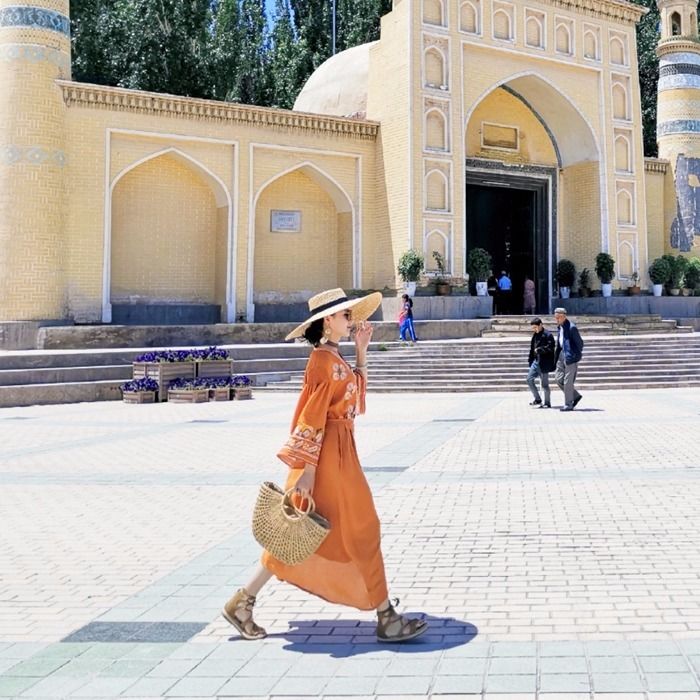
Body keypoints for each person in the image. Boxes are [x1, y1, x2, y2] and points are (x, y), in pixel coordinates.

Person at [222, 288, 428, 643]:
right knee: (349, 528)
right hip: (328, 459)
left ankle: (243, 601)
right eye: (345, 316)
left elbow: (353, 400)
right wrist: (307, 472)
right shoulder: (321, 360)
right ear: (327, 321)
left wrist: (362, 352)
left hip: (341, 452)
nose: (351, 321)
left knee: (305, 534)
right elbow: (311, 418)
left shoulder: (334, 357)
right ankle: (386, 616)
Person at [554, 306, 584, 412]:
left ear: (564, 317)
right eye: (556, 317)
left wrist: (574, 355)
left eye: (559, 317)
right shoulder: (559, 327)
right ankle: (575, 396)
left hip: (571, 357)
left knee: (567, 381)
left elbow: (580, 344)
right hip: (561, 355)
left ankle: (568, 404)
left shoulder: (572, 327)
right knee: (558, 379)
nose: (557, 319)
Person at [527, 317, 555, 408]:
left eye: (535, 327)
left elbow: (551, 348)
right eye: (533, 328)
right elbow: (532, 349)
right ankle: (538, 399)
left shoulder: (548, 335)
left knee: (544, 385)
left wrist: (540, 350)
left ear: (541, 325)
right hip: (535, 362)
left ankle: (547, 403)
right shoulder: (535, 335)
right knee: (529, 379)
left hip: (544, 363)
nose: (534, 329)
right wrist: (530, 361)